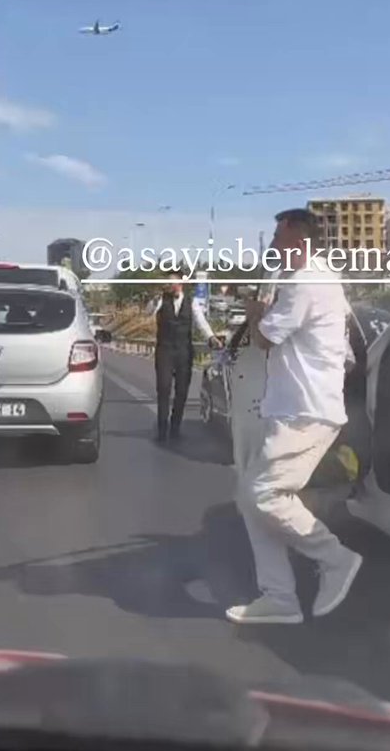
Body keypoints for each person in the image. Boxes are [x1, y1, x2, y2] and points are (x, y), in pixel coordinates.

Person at [226, 208, 363, 625]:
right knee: (250, 497)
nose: (272, 243)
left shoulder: (307, 280)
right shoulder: (312, 277)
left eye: (277, 236)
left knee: (264, 494)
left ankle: (335, 558)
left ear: (297, 239)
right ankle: (279, 596)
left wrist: (254, 310)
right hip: (293, 408)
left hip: (307, 410)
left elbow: (264, 339)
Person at [150, 273, 221, 443]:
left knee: (182, 391)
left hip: (184, 351)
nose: (170, 286)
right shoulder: (161, 300)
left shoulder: (191, 302)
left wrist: (211, 337)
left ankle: (175, 427)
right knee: (163, 388)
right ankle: (162, 429)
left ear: (181, 284)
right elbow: (149, 312)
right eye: (168, 283)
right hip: (165, 350)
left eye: (173, 283)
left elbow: (200, 321)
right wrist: (155, 299)